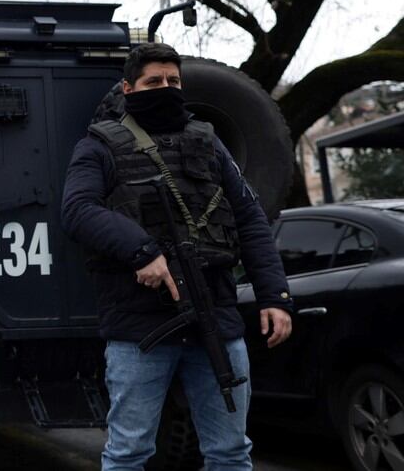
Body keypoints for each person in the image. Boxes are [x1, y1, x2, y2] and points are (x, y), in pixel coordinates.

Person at [61, 43, 294, 470]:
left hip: (216, 319)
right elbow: (78, 210)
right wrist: (142, 252)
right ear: (129, 88)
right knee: (129, 453)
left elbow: (250, 219)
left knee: (231, 452)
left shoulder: (208, 143)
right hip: (141, 327)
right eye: (154, 82)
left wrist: (275, 297)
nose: (165, 88)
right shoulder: (99, 147)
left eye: (173, 81)